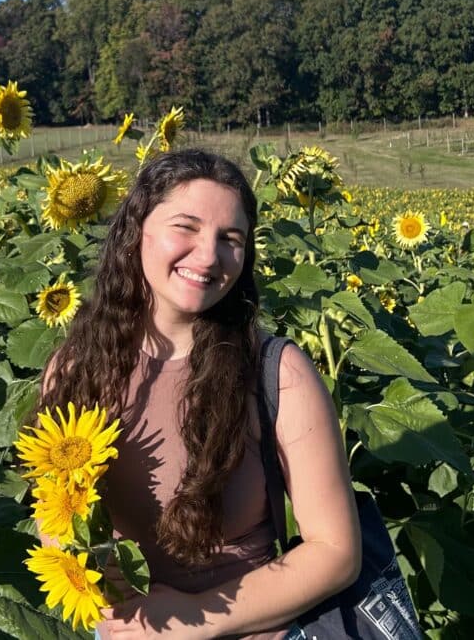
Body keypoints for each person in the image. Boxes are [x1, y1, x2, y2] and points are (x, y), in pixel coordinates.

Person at [39, 149, 361, 639]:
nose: (209, 256)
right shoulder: (75, 368)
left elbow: (336, 553)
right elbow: (52, 511)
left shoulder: (276, 371)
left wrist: (196, 619)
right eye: (186, 227)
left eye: (230, 239)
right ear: (136, 230)